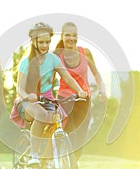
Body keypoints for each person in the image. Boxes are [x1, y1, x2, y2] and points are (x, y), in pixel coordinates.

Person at [13, 22, 87, 166]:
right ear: (33, 42)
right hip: (26, 102)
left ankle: (46, 161)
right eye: (41, 42)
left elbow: (67, 77)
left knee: (57, 118)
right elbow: (20, 89)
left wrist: (79, 91)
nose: (44, 45)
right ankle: (34, 155)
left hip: (48, 101)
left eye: (47, 42)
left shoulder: (53, 59)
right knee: (41, 115)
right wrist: (28, 96)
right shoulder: (26, 63)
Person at [54, 22, 107, 162]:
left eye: (74, 35)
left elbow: (96, 73)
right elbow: (50, 79)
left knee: (80, 141)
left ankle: (72, 162)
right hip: (65, 100)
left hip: (84, 101)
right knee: (70, 137)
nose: (71, 38)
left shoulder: (85, 52)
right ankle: (68, 163)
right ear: (62, 36)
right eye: (68, 35)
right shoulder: (56, 55)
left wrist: (102, 89)